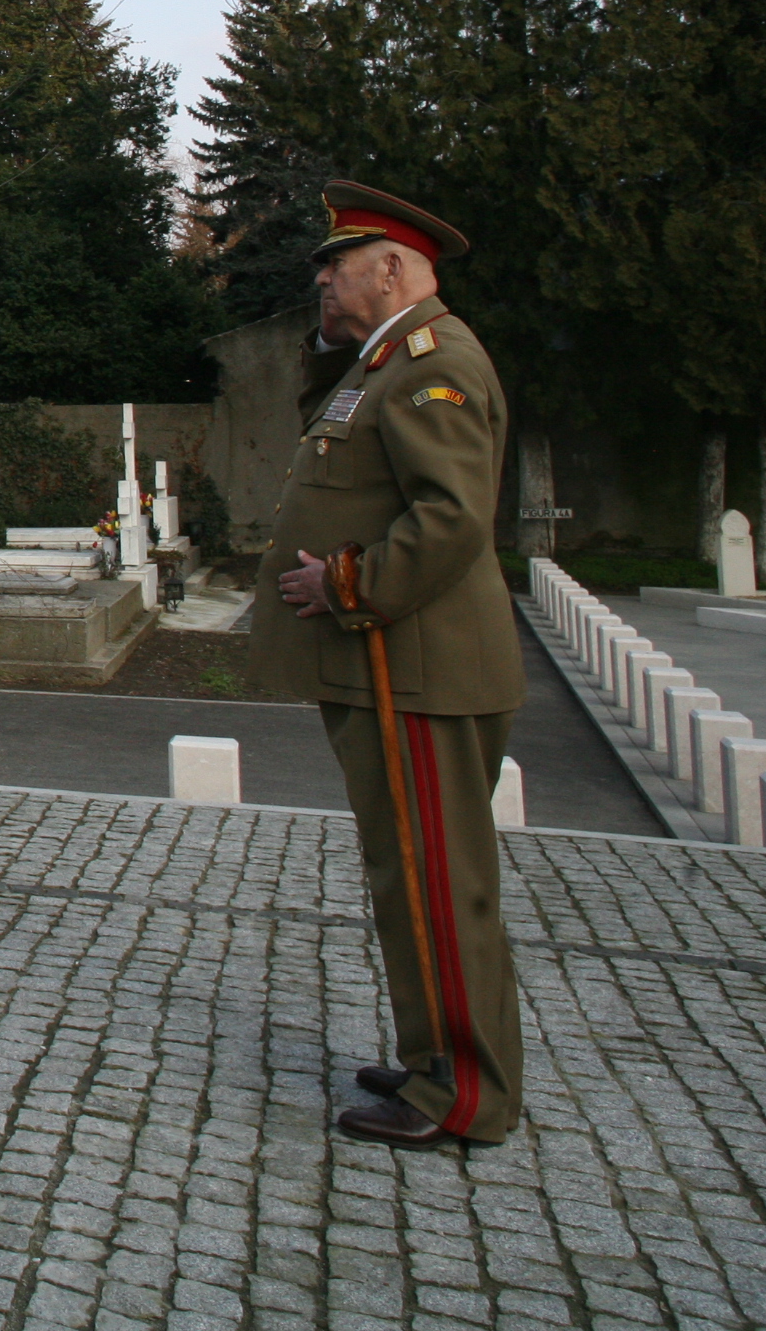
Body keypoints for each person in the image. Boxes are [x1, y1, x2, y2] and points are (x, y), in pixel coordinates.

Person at [255, 181, 523, 1151]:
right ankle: (430, 1059)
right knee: (408, 875)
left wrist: (348, 585)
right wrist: (332, 340)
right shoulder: (380, 362)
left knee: (434, 882)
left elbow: (451, 518)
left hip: (411, 664)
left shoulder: (428, 366)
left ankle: (460, 1094)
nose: (323, 277)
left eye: (340, 265)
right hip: (396, 668)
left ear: (397, 270)